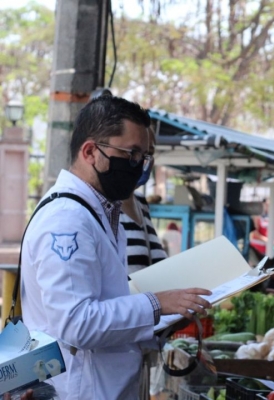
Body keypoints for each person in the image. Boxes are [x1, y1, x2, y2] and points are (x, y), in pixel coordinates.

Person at [20, 95, 212, 400]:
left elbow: (107, 308)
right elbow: (77, 324)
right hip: (81, 391)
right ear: (90, 152)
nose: (139, 166)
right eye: (132, 154)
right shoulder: (67, 221)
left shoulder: (99, 213)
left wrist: (165, 320)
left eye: (145, 155)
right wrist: (157, 304)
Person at [120, 126, 168, 274]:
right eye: (134, 152)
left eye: (150, 153)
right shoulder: (101, 205)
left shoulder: (141, 202)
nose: (142, 161)